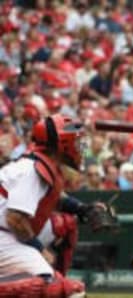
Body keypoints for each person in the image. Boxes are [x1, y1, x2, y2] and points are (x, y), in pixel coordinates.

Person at [0, 114, 91, 297]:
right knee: (57, 288)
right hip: (6, 233)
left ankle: (56, 276)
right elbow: (15, 218)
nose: (79, 146)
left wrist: (82, 208)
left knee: (66, 224)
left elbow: (52, 199)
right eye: (75, 141)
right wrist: (40, 250)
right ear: (62, 144)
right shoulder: (32, 170)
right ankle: (51, 279)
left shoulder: (42, 164)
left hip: (10, 232)